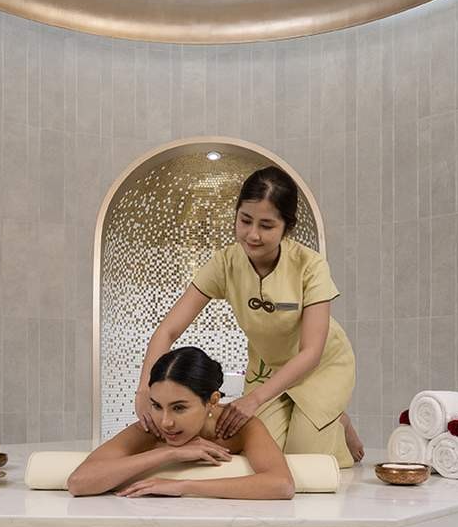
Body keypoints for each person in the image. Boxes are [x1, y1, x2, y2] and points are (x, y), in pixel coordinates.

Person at [133, 166, 364, 467]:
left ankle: (337, 421)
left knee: (302, 459)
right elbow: (168, 330)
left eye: (266, 225)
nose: (252, 234)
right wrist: (144, 390)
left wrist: (254, 399)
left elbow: (311, 352)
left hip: (321, 367)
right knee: (252, 448)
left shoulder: (310, 266)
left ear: (287, 227)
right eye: (245, 220)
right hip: (268, 368)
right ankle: (319, 416)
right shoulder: (225, 264)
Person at [68, 347, 294, 499]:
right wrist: (168, 453)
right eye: (157, 405)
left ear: (212, 401)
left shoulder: (240, 427)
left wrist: (183, 486)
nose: (166, 422)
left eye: (179, 408)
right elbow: (79, 482)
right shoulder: (151, 428)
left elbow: (281, 484)